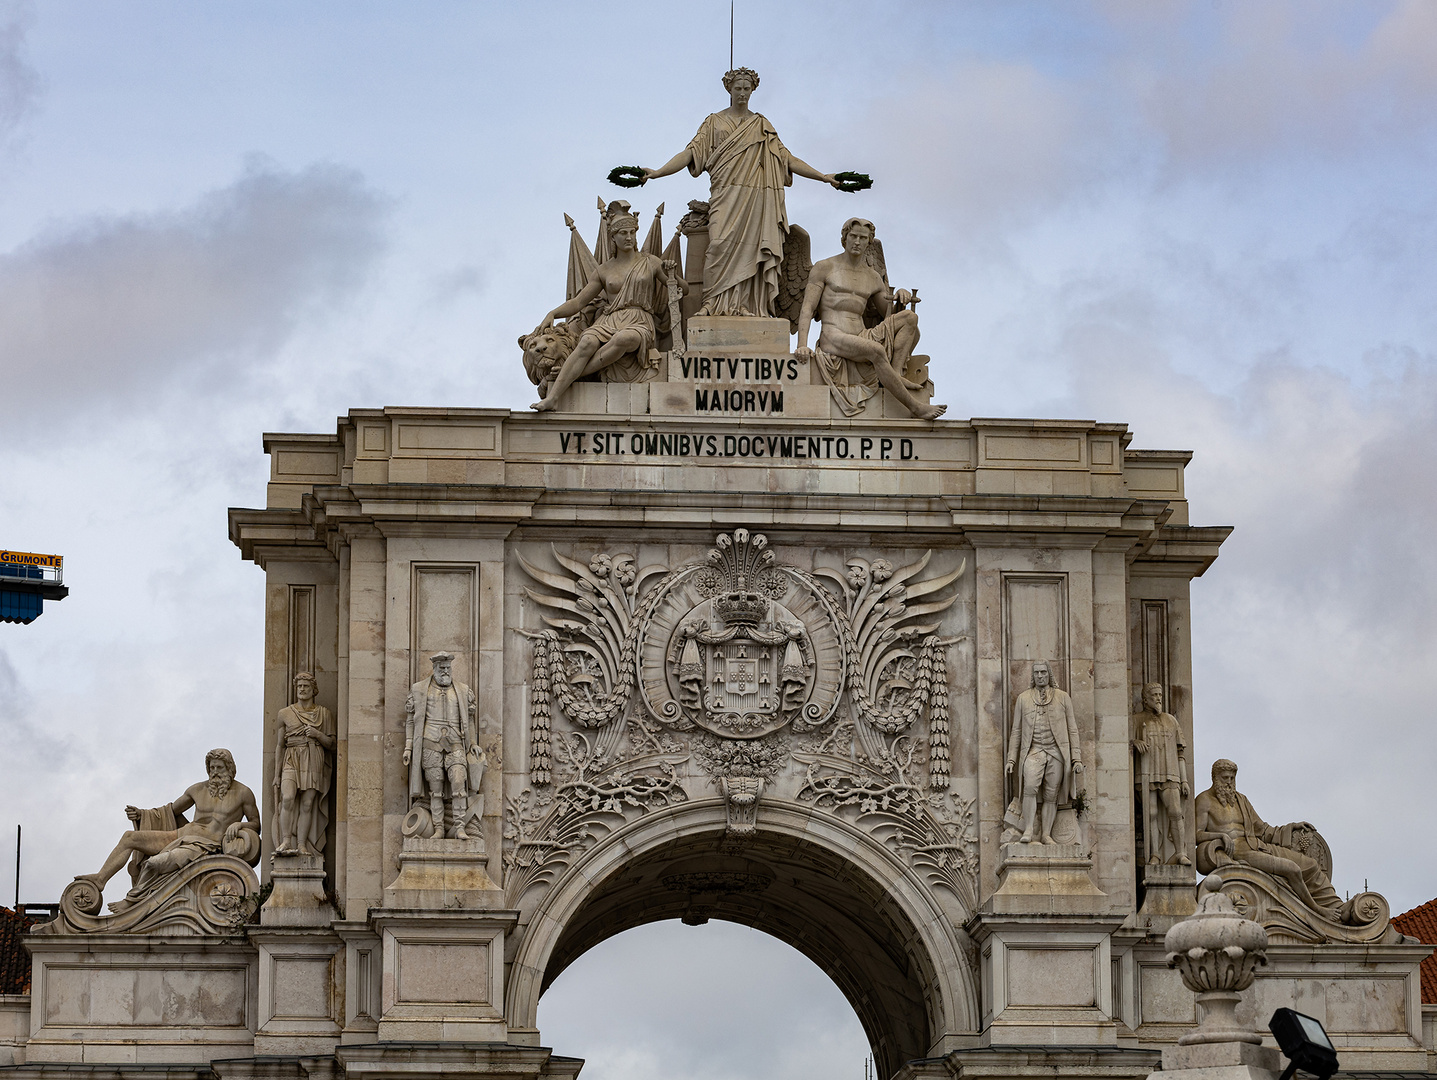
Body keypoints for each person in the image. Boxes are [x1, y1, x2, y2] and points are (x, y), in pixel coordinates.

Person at [639, 67, 844, 317]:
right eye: (738, 88)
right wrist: (659, 172)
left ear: (753, 90)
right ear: (729, 89)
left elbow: (787, 159)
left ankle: (747, 305)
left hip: (756, 197)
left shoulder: (761, 125)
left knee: (752, 248)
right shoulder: (713, 122)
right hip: (725, 195)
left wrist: (822, 177)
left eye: (747, 89)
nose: (743, 93)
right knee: (718, 245)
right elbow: (690, 153)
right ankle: (711, 304)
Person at [795, 218, 946, 420]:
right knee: (876, 350)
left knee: (910, 317)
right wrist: (802, 345)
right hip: (834, 335)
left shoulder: (873, 276)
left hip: (861, 334)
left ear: (869, 242)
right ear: (844, 238)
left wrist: (901, 296)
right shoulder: (825, 267)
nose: (857, 241)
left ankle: (895, 374)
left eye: (863, 238)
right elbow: (807, 307)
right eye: (853, 236)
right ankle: (915, 407)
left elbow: (888, 314)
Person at [77, 748, 260, 910]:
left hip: (206, 846)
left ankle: (133, 902)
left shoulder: (243, 793)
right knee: (129, 837)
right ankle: (100, 879)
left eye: (219, 768)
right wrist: (141, 814)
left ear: (229, 768)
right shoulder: (197, 789)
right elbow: (169, 811)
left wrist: (240, 824)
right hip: (183, 835)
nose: (215, 773)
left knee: (153, 864)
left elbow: (256, 823)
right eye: (211, 768)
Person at [530, 210, 677, 412]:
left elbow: (681, 290)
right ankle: (553, 398)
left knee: (624, 339)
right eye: (623, 233)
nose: (628, 237)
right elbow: (579, 302)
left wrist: (671, 274)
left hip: (638, 320)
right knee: (587, 342)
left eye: (632, 232)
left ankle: (574, 375)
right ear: (613, 237)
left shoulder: (650, 262)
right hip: (609, 320)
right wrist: (552, 314)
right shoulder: (604, 270)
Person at [1194, 758, 1342, 915]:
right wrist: (1220, 836)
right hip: (1238, 852)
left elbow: (1263, 830)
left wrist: (1291, 828)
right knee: (1292, 869)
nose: (1229, 782)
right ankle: (1316, 910)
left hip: (1257, 845)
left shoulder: (1241, 800)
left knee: (1310, 864)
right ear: (1215, 777)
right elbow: (1196, 835)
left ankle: (1337, 906)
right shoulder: (1204, 800)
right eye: (1225, 778)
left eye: (1232, 778)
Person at [404, 651, 485, 840]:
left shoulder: (463, 690)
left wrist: (472, 742)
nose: (445, 672)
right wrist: (408, 747)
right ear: (434, 668)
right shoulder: (418, 690)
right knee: (436, 790)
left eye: (448, 668)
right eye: (442, 668)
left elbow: (470, 720)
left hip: (456, 744)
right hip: (429, 744)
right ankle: (439, 828)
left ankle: (459, 827)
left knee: (458, 782)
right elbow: (410, 720)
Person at [1005, 660, 1084, 844]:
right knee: (1030, 787)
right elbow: (1016, 731)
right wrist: (1011, 759)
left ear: (1049, 674)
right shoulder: (1023, 699)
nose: (1040, 676)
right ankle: (1029, 830)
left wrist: (1076, 758)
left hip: (1056, 752)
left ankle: (1046, 834)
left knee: (1051, 794)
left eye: (1043, 672)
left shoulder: (1063, 697)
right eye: (1037, 673)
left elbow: (1073, 729)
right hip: (1033, 751)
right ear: (1033, 676)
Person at [273, 671, 334, 856]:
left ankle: (301, 844)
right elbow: (279, 746)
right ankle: (285, 840)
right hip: (291, 757)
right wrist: (277, 774)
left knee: (308, 804)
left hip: (313, 756)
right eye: (299, 686)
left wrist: (317, 734)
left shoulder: (324, 713)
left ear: (313, 689)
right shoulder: (285, 713)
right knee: (288, 798)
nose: (302, 689)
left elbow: (331, 743)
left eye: (305, 686)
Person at [1132, 682, 1191, 865]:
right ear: (1145, 699)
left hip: (1170, 771)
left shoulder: (1171, 720)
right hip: (1146, 771)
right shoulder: (1136, 719)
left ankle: (1180, 853)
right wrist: (1134, 741)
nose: (1158, 699)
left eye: (1160, 695)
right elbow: (1124, 741)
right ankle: (1155, 854)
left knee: (1175, 811)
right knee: (1151, 813)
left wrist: (1184, 780)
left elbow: (1180, 753)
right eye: (1154, 696)